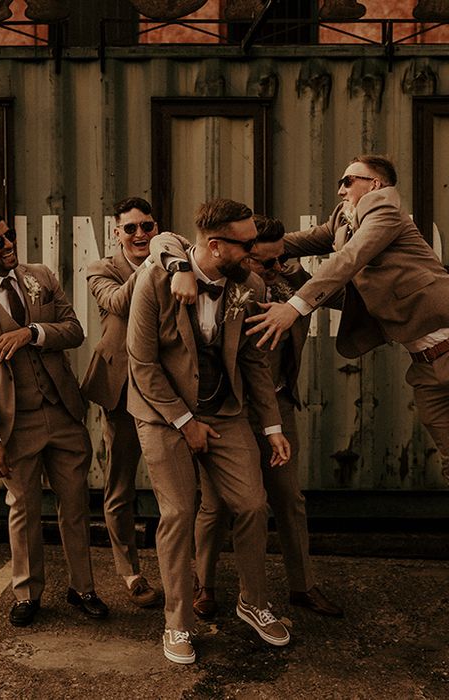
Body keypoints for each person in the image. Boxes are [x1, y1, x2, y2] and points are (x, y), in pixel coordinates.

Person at [152, 215, 343, 619]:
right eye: (266, 261)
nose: (276, 269)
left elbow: (344, 289)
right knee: (214, 505)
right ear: (244, 254)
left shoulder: (290, 286)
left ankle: (302, 586)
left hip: (276, 407)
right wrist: (182, 268)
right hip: (227, 410)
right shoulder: (227, 274)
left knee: (288, 500)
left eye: (281, 261)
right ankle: (207, 586)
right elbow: (165, 240)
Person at [128, 198, 292, 665]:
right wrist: (185, 423)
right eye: (247, 244)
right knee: (179, 512)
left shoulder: (250, 283)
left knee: (253, 504)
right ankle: (177, 622)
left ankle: (253, 601)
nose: (255, 252)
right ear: (215, 245)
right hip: (163, 414)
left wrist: (272, 425)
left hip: (225, 410)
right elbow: (142, 364)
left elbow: (255, 359)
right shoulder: (155, 280)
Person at [0, 209, 109, 628]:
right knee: (24, 508)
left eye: (10, 235)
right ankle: (27, 593)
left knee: (74, 506)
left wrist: (31, 332)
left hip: (63, 412)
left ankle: (83, 588)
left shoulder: (41, 276)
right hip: (13, 423)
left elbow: (73, 330)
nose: (9, 245)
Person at [245, 155, 449, 485]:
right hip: (424, 365)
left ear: (376, 185)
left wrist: (296, 306)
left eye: (349, 181)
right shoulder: (344, 218)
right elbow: (298, 241)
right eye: (340, 182)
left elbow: (350, 259)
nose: (340, 189)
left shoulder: (385, 211)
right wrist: (246, 248)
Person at [81, 197, 163, 608]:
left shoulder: (172, 258)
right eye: (129, 228)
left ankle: (189, 570)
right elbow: (118, 304)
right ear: (117, 233)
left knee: (181, 490)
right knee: (121, 484)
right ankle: (129, 571)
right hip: (121, 389)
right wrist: (154, 263)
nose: (139, 235)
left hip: (167, 388)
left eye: (146, 226)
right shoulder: (102, 269)